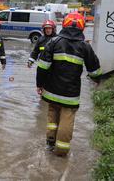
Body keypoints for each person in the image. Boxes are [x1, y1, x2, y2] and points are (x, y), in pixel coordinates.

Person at [36, 12, 102, 156]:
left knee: (52, 115)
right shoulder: (85, 46)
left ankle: (50, 142)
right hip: (70, 94)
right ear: (82, 27)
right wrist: (97, 80)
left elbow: (42, 67)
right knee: (67, 117)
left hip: (52, 90)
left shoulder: (53, 42)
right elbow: (94, 70)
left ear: (64, 25)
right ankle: (61, 151)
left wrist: (39, 85)